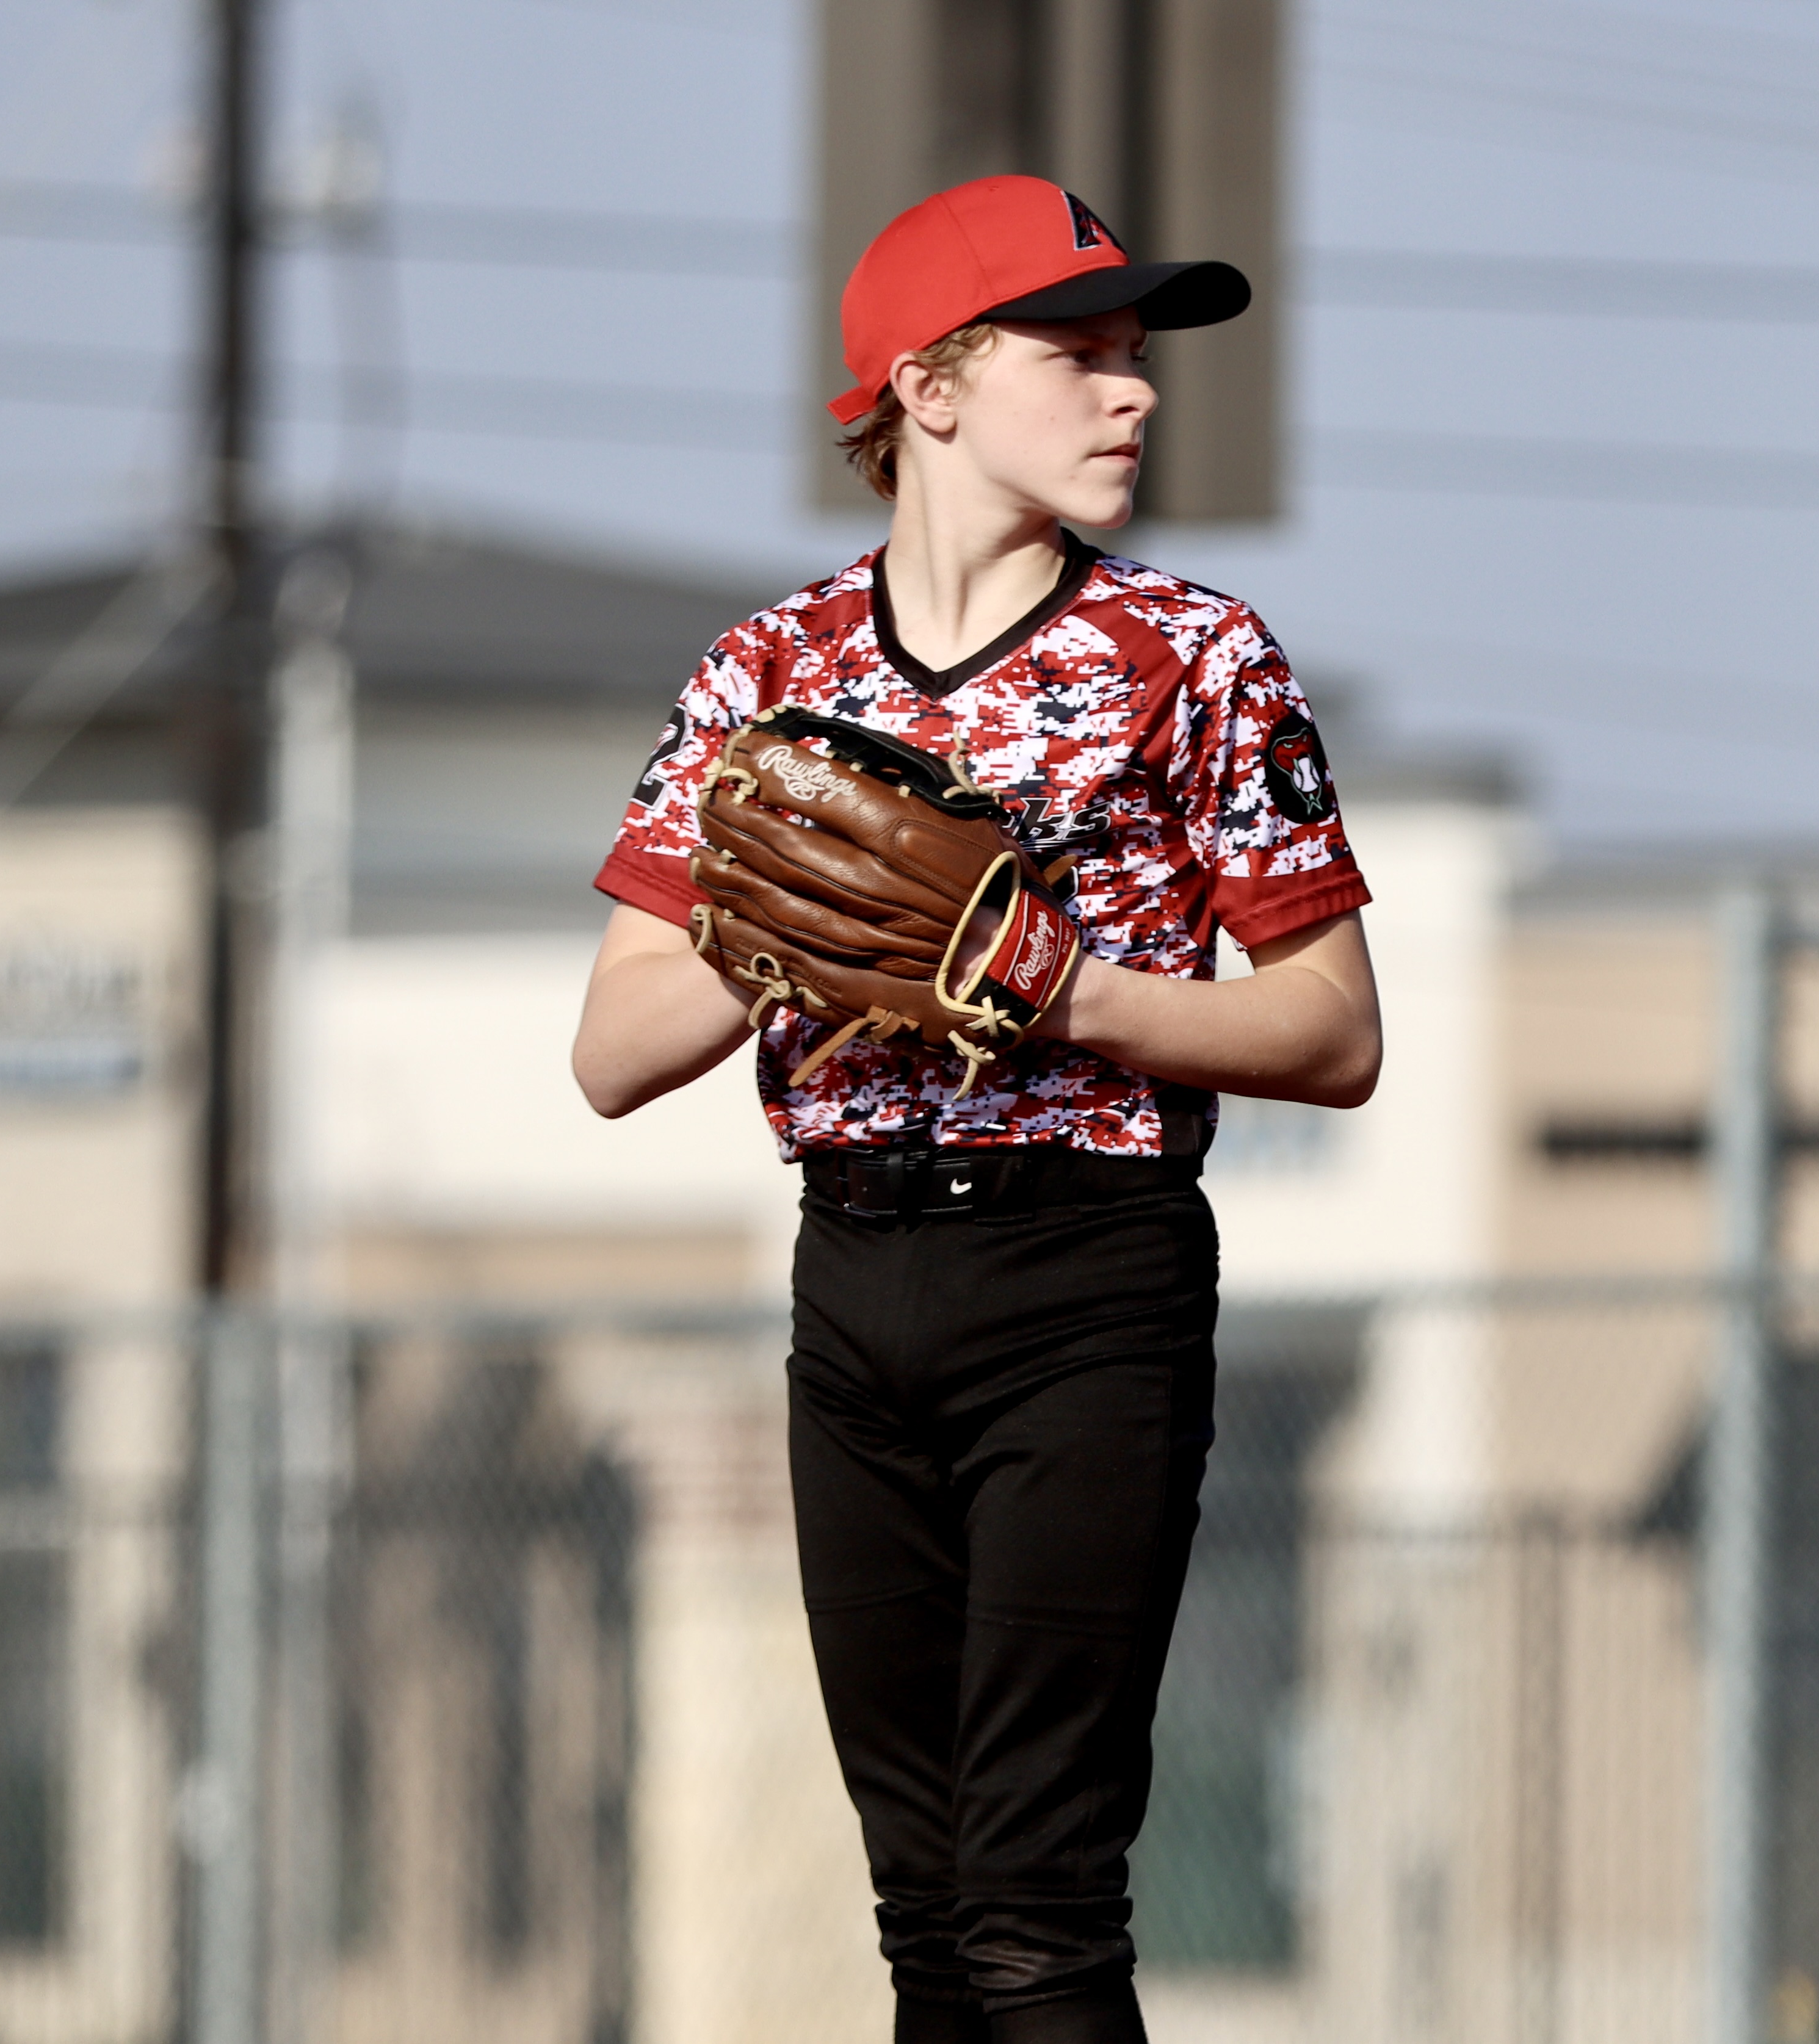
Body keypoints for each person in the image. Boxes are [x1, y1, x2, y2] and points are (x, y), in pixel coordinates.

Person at [568, 173, 1380, 2044]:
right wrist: (780, 931)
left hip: (1084, 1284)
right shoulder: (770, 673)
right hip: (853, 1286)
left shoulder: (1196, 659)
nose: (1134, 390)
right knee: (924, 1912)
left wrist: (1059, 987)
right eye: (1077, 353)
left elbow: (1334, 1033)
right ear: (926, 389)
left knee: (1035, 1902)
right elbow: (611, 1054)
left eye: (1135, 354)